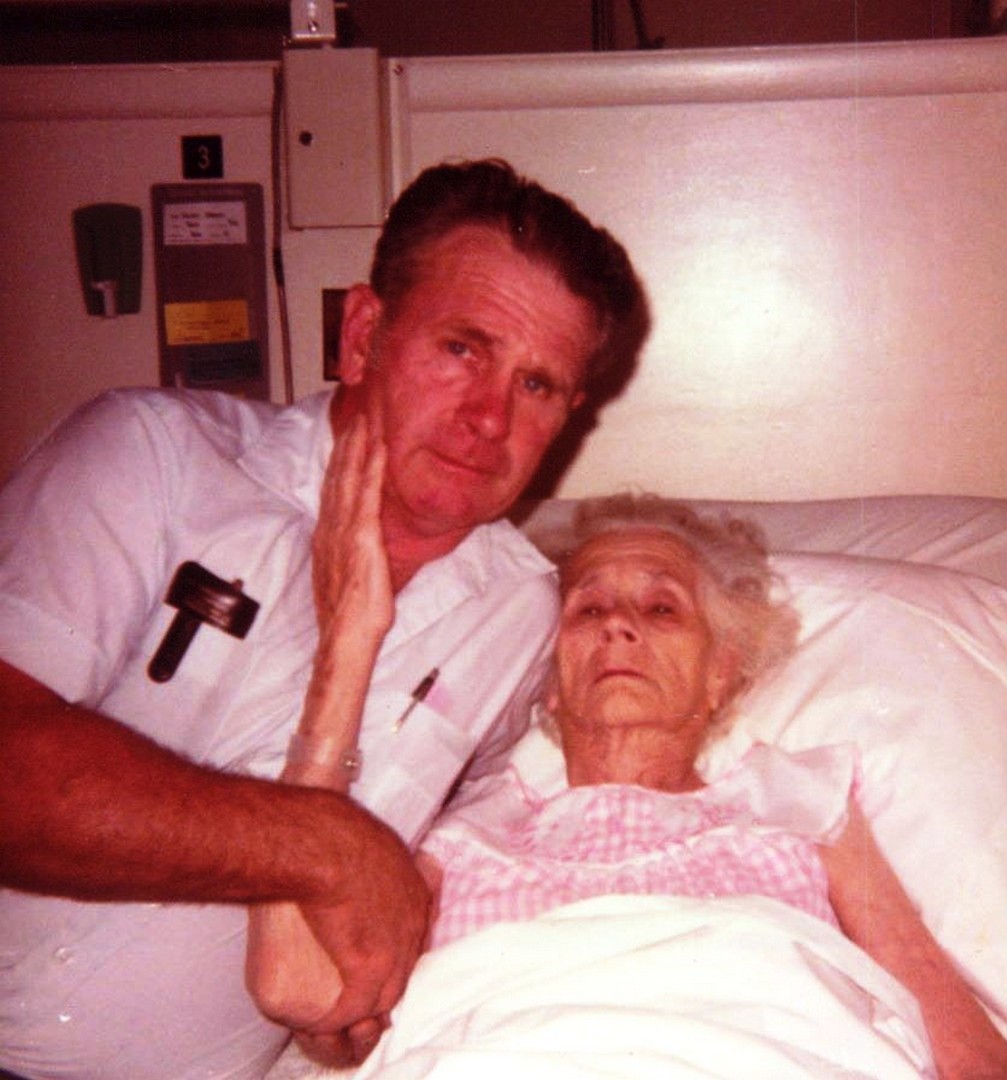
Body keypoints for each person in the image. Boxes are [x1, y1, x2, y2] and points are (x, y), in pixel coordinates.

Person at [0, 159, 648, 1080]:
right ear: (363, 334)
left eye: (537, 385)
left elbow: (465, 864)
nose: (488, 419)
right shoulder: (152, 460)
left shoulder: (522, 621)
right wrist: (322, 849)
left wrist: (383, 985)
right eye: (463, 349)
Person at [255, 493, 1007, 1080]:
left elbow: (956, 1035)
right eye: (589, 606)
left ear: (720, 671)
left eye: (662, 608)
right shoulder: (462, 832)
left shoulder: (802, 802)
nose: (618, 625)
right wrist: (346, 652)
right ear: (548, 678)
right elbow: (306, 995)